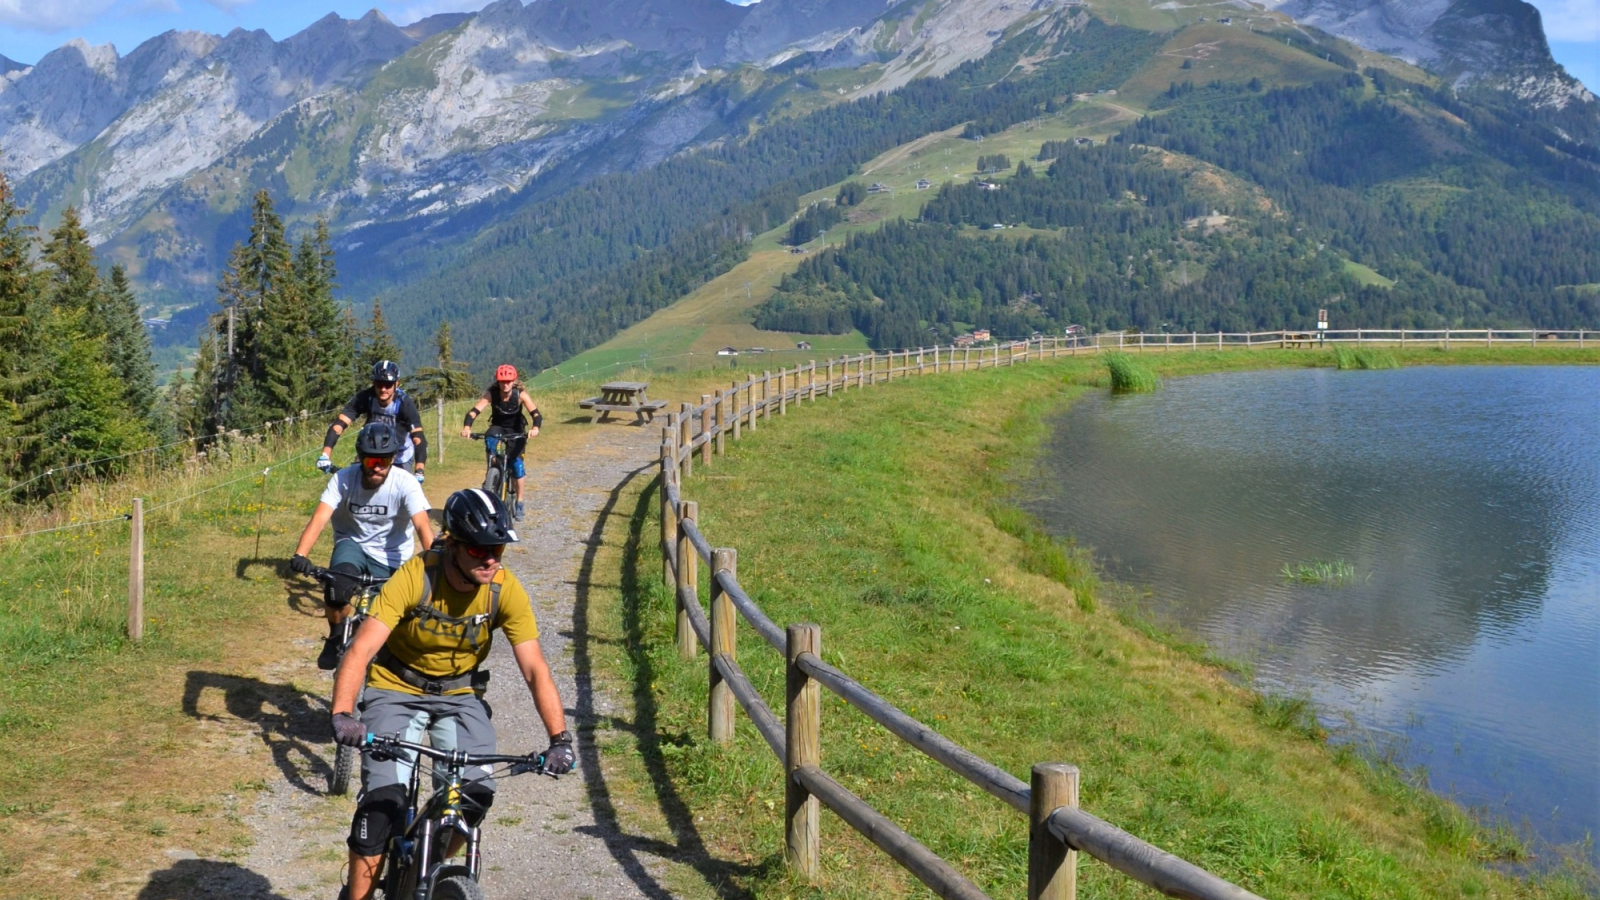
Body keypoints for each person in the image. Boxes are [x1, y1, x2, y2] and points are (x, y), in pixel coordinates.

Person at [328, 489, 575, 900]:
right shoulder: (416, 576)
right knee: (381, 804)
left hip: (460, 694)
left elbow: (534, 668)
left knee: (475, 796)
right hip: (395, 687)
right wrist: (341, 713)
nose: (491, 558)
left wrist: (559, 739)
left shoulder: (503, 589)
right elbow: (361, 650)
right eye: (479, 549)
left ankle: (429, 862)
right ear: (455, 546)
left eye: (498, 548)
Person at [292, 422, 434, 671]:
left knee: (395, 620)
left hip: (393, 555)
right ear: (360, 459)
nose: (378, 467)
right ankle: (336, 635)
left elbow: (422, 524)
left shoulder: (405, 483)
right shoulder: (343, 479)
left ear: (393, 459)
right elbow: (320, 518)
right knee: (337, 587)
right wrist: (300, 554)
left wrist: (435, 562)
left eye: (385, 461)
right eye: (371, 462)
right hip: (353, 543)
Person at [319, 360, 429, 481]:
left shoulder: (404, 403)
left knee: (402, 492)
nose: (383, 389)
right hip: (370, 451)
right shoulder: (366, 397)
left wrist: (419, 470)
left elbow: (418, 437)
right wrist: (325, 455)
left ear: (396, 384)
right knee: (355, 485)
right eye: (379, 384)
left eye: (388, 385)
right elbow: (339, 425)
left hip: (399, 455)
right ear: (373, 383)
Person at [459, 364, 542, 521]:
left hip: (516, 430)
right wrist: (467, 427)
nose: (505, 385)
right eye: (502, 381)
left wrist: (535, 428)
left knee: (517, 466)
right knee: (490, 438)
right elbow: (474, 411)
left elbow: (536, 414)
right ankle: (493, 472)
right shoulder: (492, 394)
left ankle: (520, 501)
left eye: (508, 381)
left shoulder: (520, 394)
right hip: (498, 427)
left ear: (513, 381)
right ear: (498, 382)